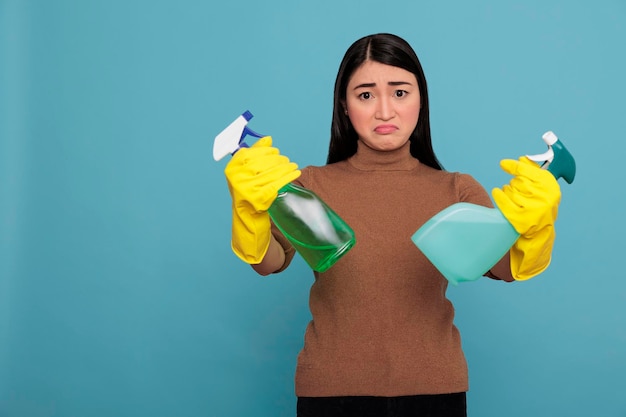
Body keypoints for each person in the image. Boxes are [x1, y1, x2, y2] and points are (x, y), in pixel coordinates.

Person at [223, 33, 561, 417]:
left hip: (435, 393)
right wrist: (250, 209)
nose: (385, 111)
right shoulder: (309, 187)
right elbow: (268, 263)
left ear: (421, 101)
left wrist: (532, 225)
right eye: (365, 95)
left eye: (400, 92)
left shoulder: (455, 189)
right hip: (330, 393)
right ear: (345, 106)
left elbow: (504, 268)